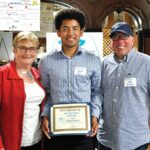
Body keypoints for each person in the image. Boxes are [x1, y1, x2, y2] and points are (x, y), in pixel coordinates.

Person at [39, 8, 101, 150]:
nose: (70, 33)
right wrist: (45, 115)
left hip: (85, 131)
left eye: (75, 28)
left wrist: (95, 115)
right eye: (65, 29)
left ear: (81, 32)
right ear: (58, 32)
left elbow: (97, 92)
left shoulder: (94, 61)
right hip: (55, 129)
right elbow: (46, 94)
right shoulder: (46, 62)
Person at [97, 22, 150, 150]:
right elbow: (98, 94)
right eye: (115, 37)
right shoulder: (103, 63)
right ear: (111, 41)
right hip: (106, 138)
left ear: (133, 39)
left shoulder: (147, 63)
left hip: (136, 139)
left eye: (124, 36)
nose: (120, 41)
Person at [0, 31, 45, 150]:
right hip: (12, 143)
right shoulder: (2, 74)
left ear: (36, 52)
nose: (28, 53)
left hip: (37, 140)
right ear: (14, 50)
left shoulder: (37, 74)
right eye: (23, 48)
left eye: (32, 48)